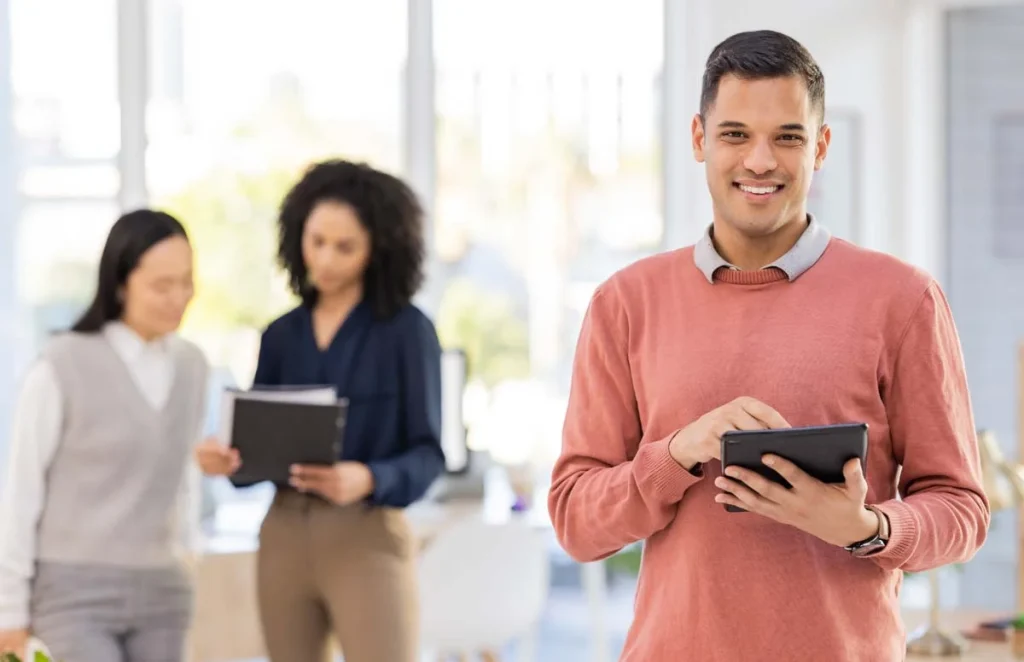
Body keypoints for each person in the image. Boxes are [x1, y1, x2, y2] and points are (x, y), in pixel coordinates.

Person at [548, 29, 990, 662]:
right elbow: (575, 521)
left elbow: (963, 510)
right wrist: (676, 454)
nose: (761, 161)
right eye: (735, 135)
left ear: (821, 146)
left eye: (788, 136)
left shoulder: (904, 299)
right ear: (700, 139)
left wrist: (866, 530)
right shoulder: (625, 302)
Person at [196, 159, 445, 662]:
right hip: (283, 534)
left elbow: (428, 456)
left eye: (345, 246)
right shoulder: (280, 336)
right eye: (316, 241)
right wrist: (224, 460)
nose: (326, 260)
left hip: (366, 532)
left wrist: (368, 477)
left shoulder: (407, 332)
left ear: (378, 250)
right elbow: (252, 455)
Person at [0, 210, 208, 662]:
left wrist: (188, 550)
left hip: (164, 592)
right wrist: (9, 609)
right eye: (161, 285)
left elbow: (183, 474)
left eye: (186, 282)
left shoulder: (192, 365)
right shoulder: (62, 363)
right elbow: (21, 492)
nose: (178, 298)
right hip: (73, 593)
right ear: (120, 283)